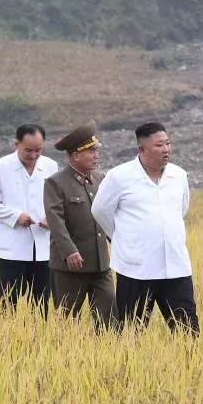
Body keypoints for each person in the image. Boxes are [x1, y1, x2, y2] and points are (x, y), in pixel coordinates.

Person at [92, 122, 198, 335]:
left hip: (175, 267)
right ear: (142, 149)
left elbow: (181, 210)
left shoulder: (179, 175)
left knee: (188, 330)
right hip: (136, 269)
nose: (166, 149)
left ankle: (189, 367)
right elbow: (100, 211)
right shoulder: (119, 176)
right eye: (159, 145)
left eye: (168, 143)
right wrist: (122, 238)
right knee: (131, 331)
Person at [44, 122, 117, 331]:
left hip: (100, 264)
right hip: (70, 267)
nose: (97, 155)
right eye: (91, 151)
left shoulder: (101, 180)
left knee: (110, 318)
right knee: (65, 323)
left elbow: (110, 216)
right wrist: (70, 251)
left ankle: (107, 357)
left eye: (96, 150)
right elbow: (56, 221)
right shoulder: (56, 183)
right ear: (75, 155)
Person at [0, 124, 58, 313]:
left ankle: (38, 334)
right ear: (16, 144)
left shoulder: (50, 166)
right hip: (12, 245)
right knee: (9, 298)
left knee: (42, 299)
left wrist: (52, 219)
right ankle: (8, 334)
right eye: (28, 151)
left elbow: (57, 200)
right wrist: (16, 217)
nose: (33, 155)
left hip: (42, 243)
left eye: (38, 150)